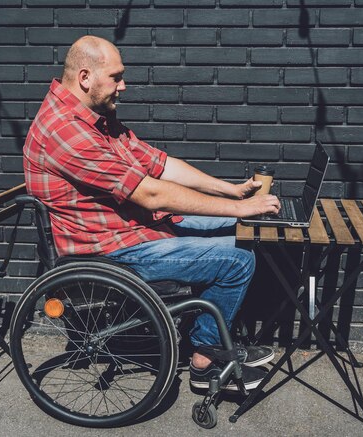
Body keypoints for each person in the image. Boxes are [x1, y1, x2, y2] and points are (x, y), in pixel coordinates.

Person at [23, 36, 281, 391]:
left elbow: (161, 166)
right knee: (238, 258)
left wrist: (232, 191)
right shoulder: (66, 132)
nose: (123, 85)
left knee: (240, 226)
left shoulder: (94, 119)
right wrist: (240, 206)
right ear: (85, 77)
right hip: (112, 251)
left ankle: (211, 332)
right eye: (116, 77)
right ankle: (206, 360)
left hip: (137, 228)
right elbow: (152, 193)